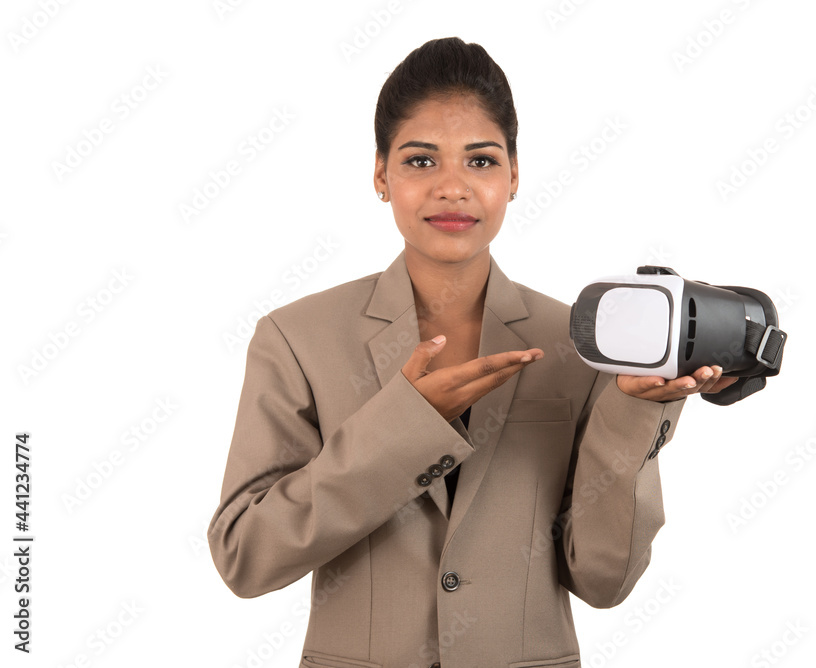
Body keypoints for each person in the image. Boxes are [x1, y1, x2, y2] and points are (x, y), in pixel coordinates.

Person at [207, 36, 736, 668]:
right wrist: (403, 428)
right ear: (381, 175)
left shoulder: (582, 344)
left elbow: (603, 581)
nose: (453, 187)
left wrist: (631, 414)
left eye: (481, 161)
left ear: (514, 177)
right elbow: (246, 557)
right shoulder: (296, 338)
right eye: (421, 161)